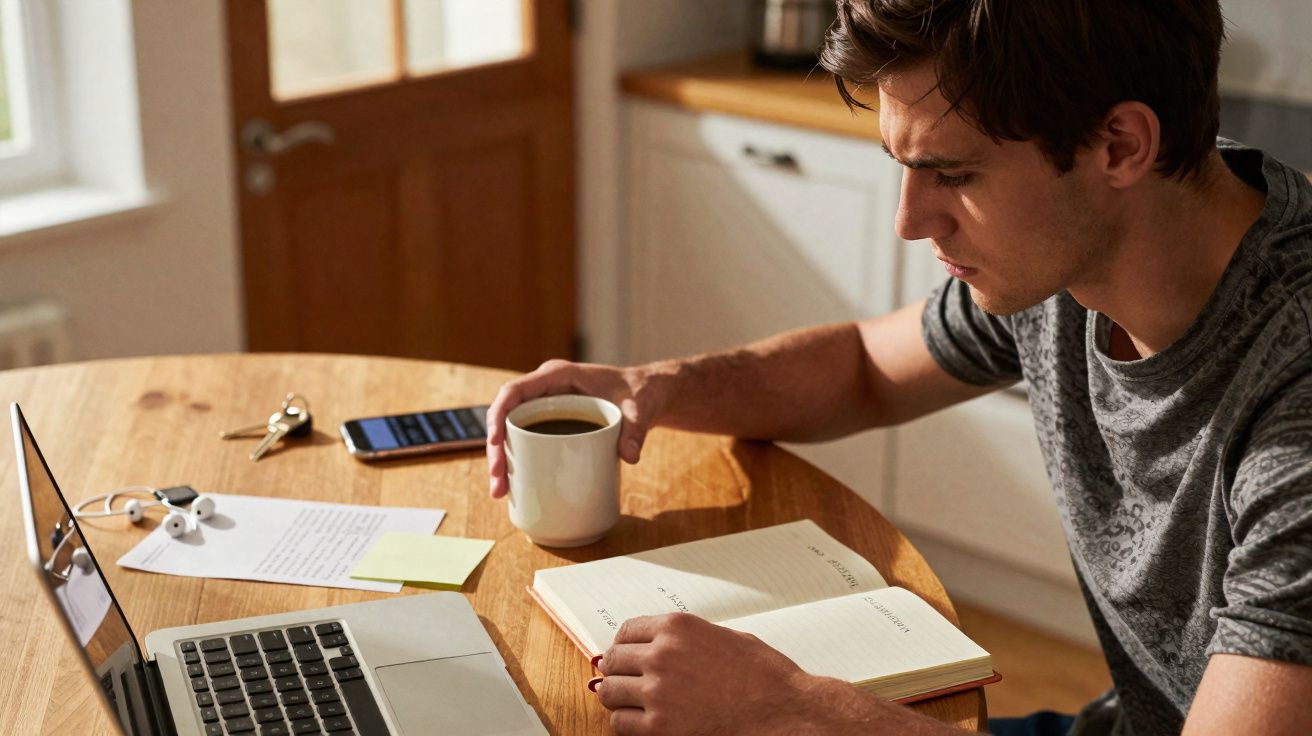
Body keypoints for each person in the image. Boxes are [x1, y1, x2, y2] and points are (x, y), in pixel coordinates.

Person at [485, 1, 1312, 734]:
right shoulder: (1092, 237)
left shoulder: (1293, 402)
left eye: (952, 174)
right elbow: (865, 369)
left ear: (1121, 144)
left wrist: (790, 710)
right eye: (905, 167)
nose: (910, 222)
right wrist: (652, 387)